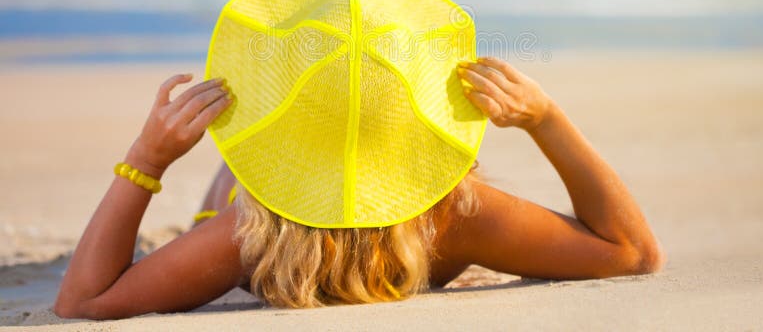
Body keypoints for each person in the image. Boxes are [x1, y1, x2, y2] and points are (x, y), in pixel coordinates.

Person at [54, 56, 664, 319]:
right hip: (405, 218)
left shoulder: (252, 232)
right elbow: (632, 252)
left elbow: (82, 303)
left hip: (253, 214)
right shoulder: (452, 212)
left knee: (233, 175)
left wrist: (147, 159)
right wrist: (546, 119)